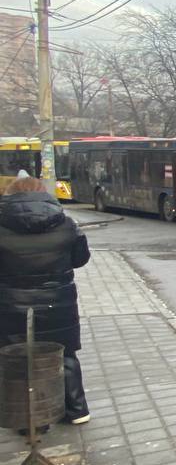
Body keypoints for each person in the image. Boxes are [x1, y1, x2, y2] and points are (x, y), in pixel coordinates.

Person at [0, 177, 91, 425]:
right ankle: (77, 409)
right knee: (65, 353)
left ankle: (28, 419)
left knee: (17, 357)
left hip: (10, 302)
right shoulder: (66, 223)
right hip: (57, 300)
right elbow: (80, 259)